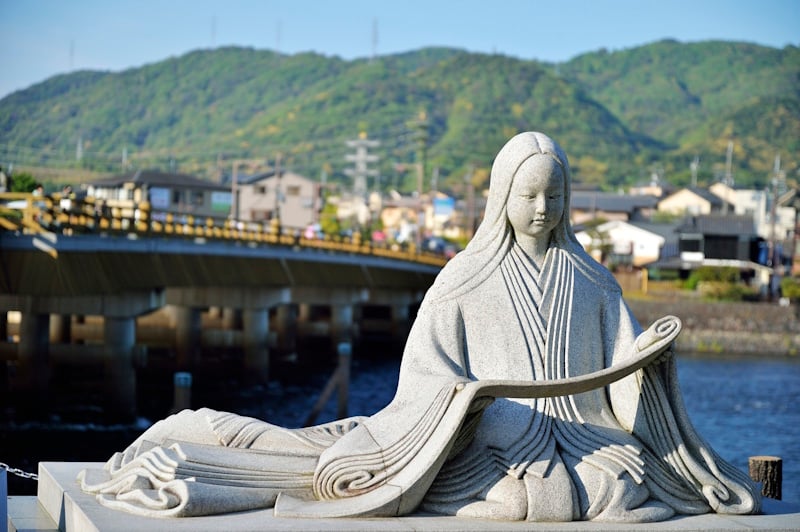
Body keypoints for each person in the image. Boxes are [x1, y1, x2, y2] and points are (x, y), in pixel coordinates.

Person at [79, 132, 759, 522]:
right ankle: (209, 441)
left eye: (555, 196)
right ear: (502, 197)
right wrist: (468, 403)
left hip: (585, 437)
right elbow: (426, 377)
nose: (543, 208)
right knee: (514, 482)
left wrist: (647, 363)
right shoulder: (463, 279)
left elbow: (621, 384)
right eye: (529, 195)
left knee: (618, 484)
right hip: (487, 437)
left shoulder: (596, 282)